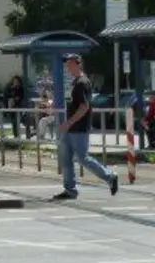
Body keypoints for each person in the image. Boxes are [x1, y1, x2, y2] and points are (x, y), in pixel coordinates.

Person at [51, 54, 120, 200]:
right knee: (66, 158)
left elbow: (84, 107)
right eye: (67, 64)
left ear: (78, 64)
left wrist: (68, 123)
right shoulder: (75, 82)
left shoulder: (82, 82)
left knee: (83, 158)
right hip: (71, 128)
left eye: (70, 64)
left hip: (79, 128)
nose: (68, 67)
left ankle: (110, 176)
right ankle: (70, 189)